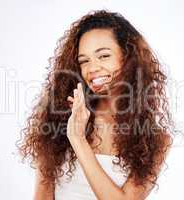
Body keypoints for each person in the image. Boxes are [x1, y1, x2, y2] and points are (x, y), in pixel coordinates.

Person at [17, 9, 175, 200]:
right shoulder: (57, 120)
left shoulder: (154, 139)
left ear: (128, 58)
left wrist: (78, 140)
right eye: (84, 61)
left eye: (104, 56)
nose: (92, 68)